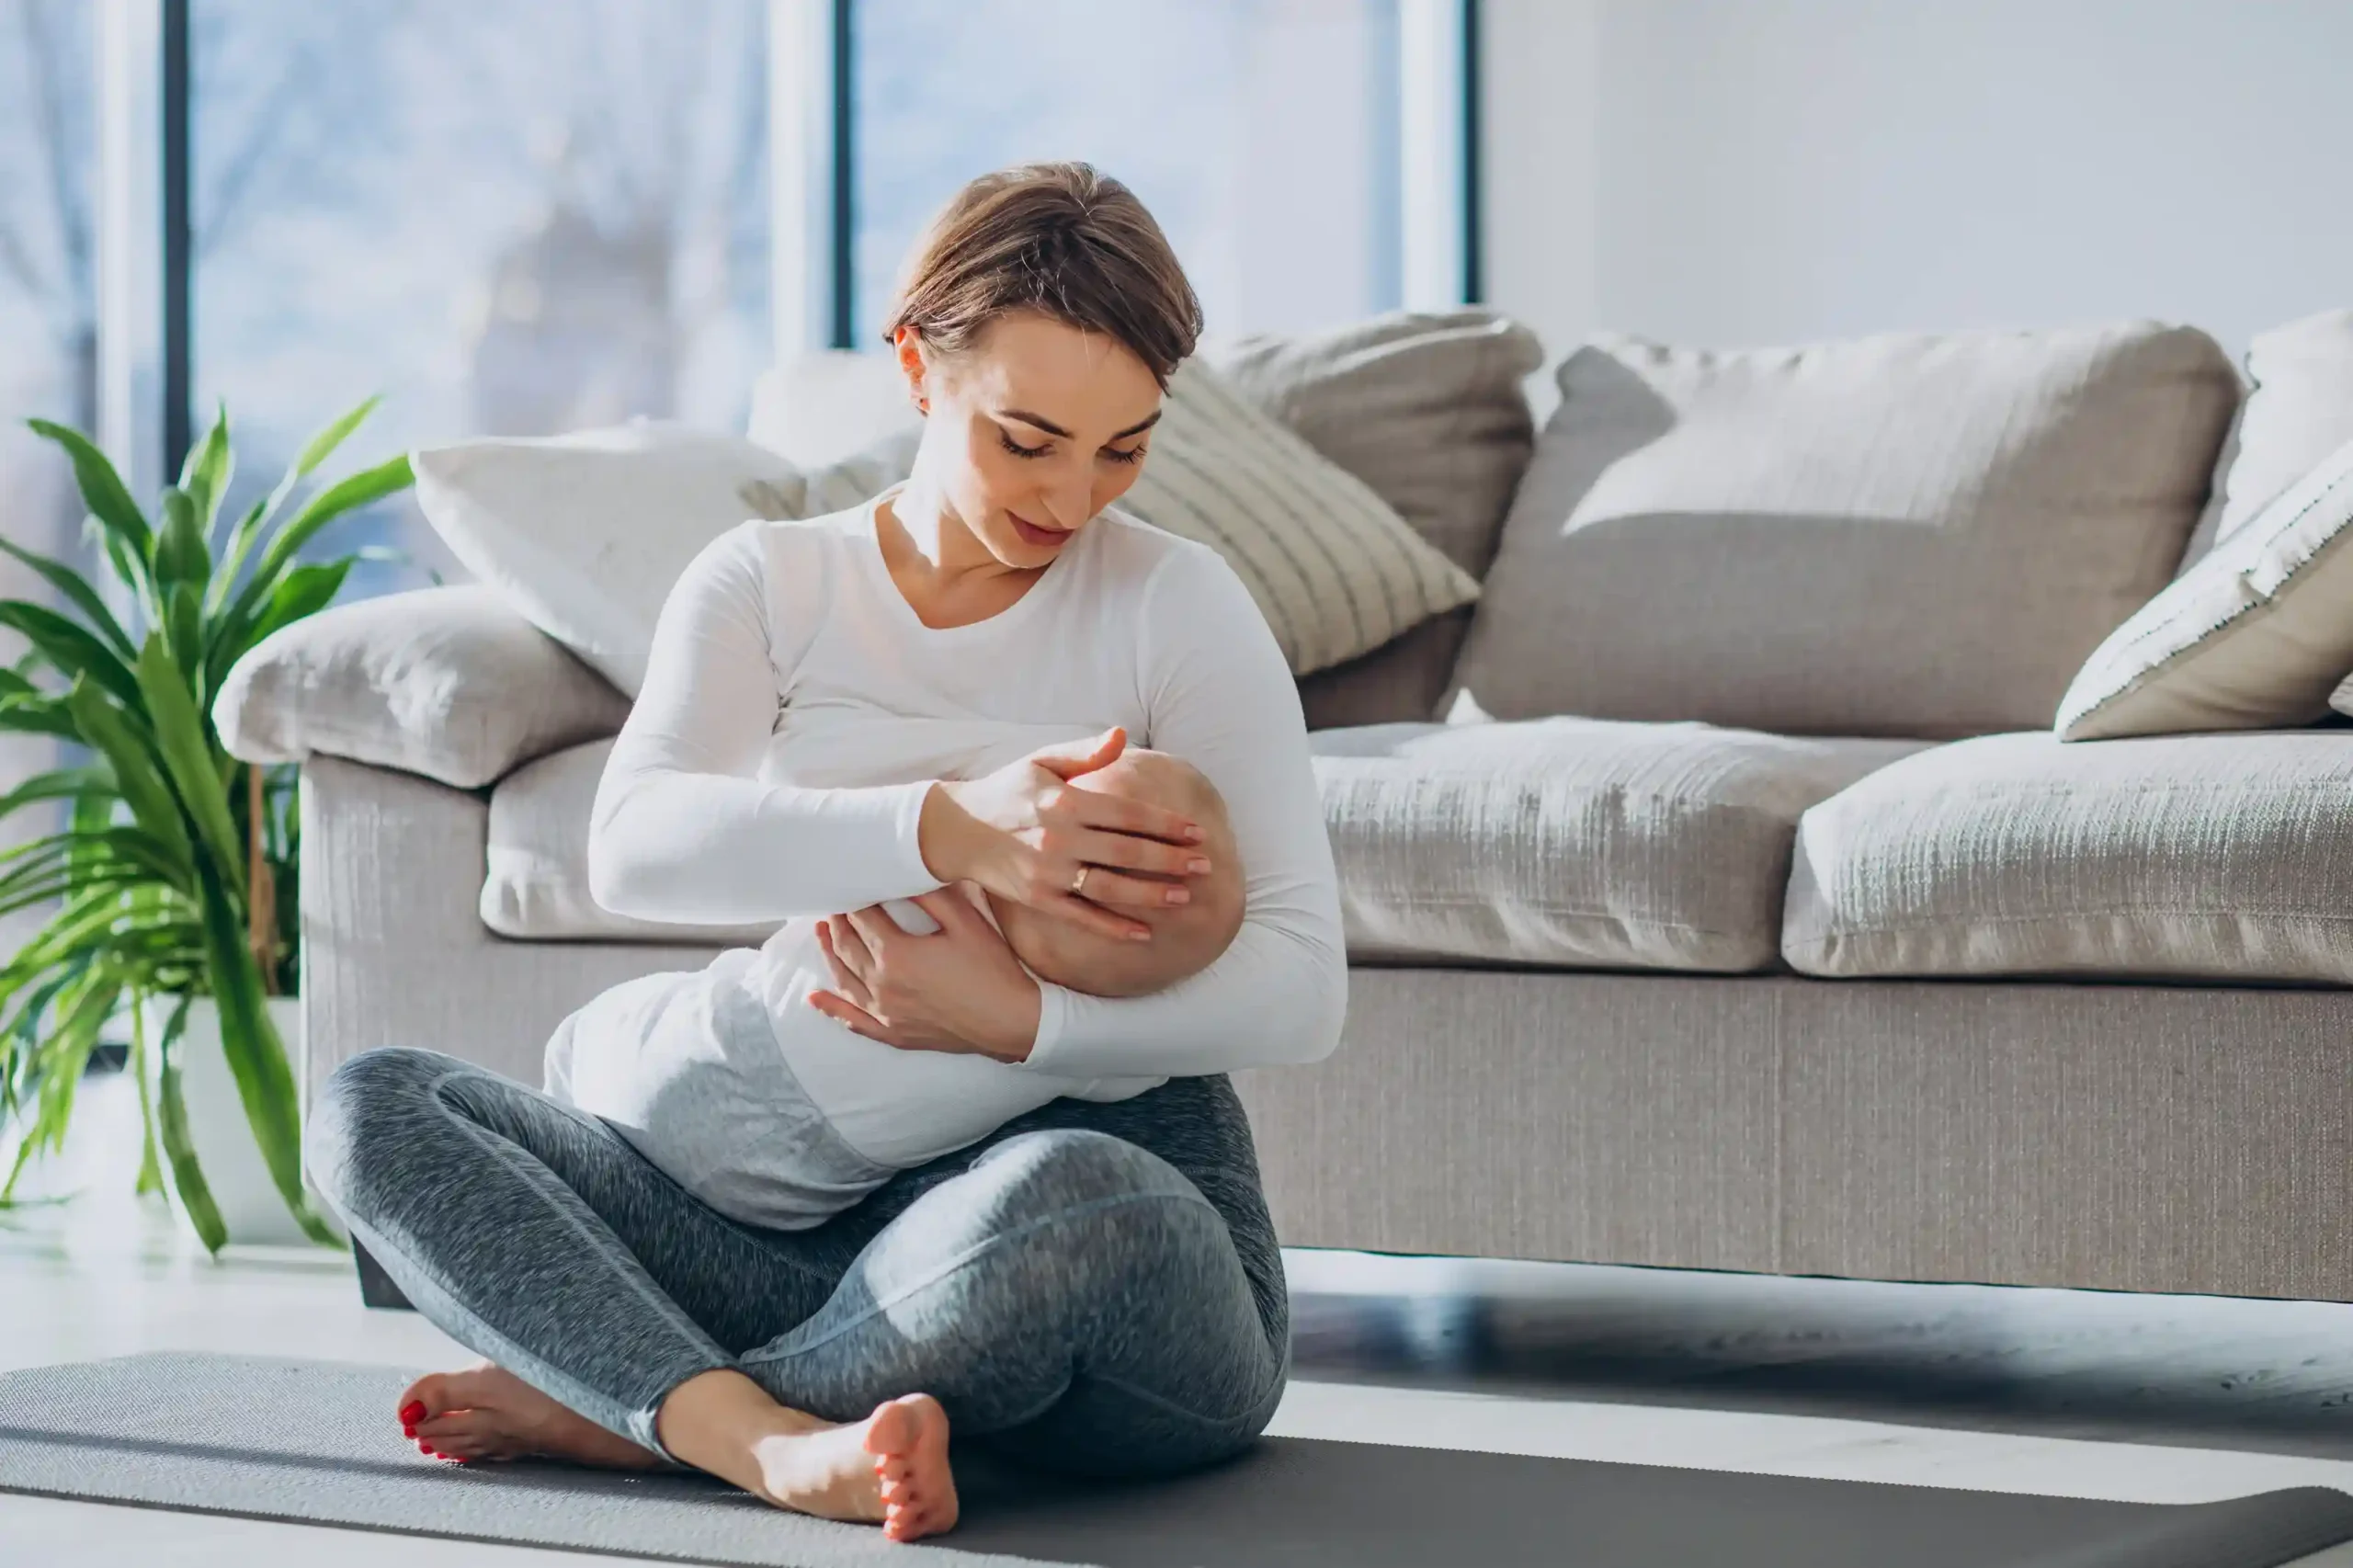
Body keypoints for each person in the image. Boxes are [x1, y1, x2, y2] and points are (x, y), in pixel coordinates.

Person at [304, 160, 1346, 1546]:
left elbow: (1301, 984)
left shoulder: (1178, 605)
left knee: (1071, 1205)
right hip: (790, 1236)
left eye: (1124, 447)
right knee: (372, 1105)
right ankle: (776, 1439)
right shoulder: (773, 583)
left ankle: (650, 1407)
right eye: (1027, 440)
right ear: (917, 366)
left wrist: (1023, 1021)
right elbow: (636, 842)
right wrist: (950, 824)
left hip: (1094, 1251)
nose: (1074, 498)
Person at [546, 744, 1248, 1232]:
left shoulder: (928, 891)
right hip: (785, 1198)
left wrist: (957, 818)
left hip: (708, 1049)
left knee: (578, 1047)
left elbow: (835, 835)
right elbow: (1159, 1057)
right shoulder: (1101, 1062)